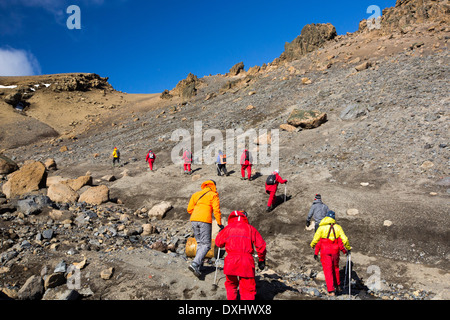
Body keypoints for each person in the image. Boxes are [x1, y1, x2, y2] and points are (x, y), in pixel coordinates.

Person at [215, 210, 266, 300]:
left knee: (231, 285)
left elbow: (219, 243)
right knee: (247, 289)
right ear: (245, 217)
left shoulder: (228, 228)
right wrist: (261, 260)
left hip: (230, 261)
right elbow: (261, 245)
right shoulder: (250, 228)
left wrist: (221, 232)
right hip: (246, 262)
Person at [187, 180, 223, 278]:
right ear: (214, 186)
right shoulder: (213, 195)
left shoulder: (196, 194)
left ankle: (198, 267)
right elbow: (216, 210)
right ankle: (195, 264)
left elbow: (189, 209)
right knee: (206, 244)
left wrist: (196, 214)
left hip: (194, 219)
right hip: (205, 220)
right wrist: (219, 223)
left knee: (200, 243)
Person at [310, 210, 351, 296]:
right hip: (335, 252)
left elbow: (316, 239)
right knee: (336, 269)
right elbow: (344, 240)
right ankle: (338, 286)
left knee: (328, 271)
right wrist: (347, 248)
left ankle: (331, 291)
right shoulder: (338, 227)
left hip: (325, 251)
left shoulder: (321, 227)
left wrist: (312, 245)